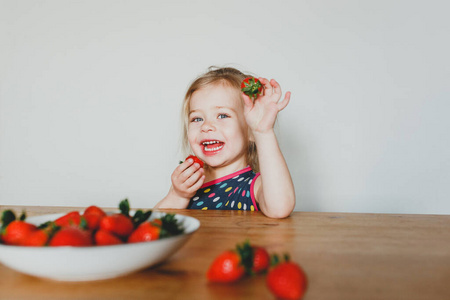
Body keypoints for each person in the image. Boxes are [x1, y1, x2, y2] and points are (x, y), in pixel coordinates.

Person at [154, 67, 295, 218]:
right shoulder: (189, 184)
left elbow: (280, 208)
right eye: (197, 118)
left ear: (250, 131)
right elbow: (153, 224)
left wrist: (263, 132)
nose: (206, 126)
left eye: (222, 115)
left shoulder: (256, 186)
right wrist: (178, 195)